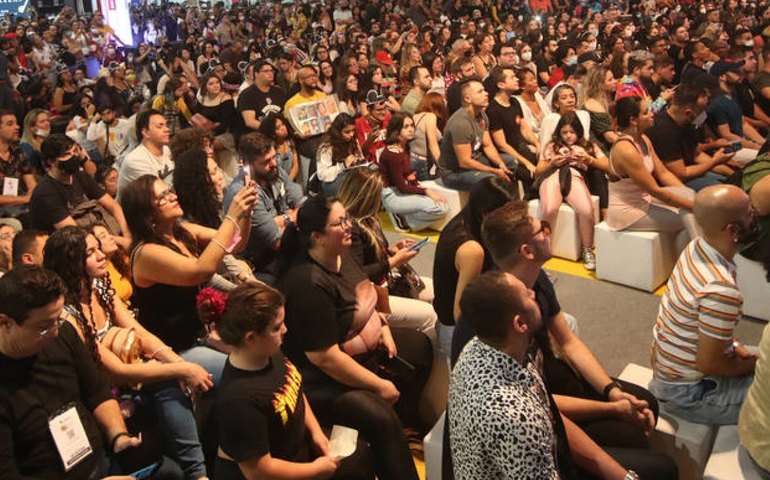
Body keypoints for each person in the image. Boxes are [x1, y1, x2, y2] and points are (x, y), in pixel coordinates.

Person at [450, 203, 678, 480]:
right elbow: (539, 417)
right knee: (655, 461)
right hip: (530, 430)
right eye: (543, 229)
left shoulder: (513, 344)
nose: (550, 231)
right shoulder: (513, 407)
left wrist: (611, 392)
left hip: (542, 407)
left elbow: (565, 350)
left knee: (643, 412)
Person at [277, 195, 432, 480]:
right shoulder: (307, 284)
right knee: (380, 417)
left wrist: (383, 328)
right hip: (322, 379)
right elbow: (324, 357)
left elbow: (367, 288)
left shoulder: (342, 253)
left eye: (346, 219)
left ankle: (406, 428)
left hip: (360, 350)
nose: (349, 226)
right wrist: (379, 385)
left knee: (419, 347)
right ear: (317, 237)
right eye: (339, 223)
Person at [43, 226, 212, 480]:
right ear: (71, 263)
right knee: (170, 380)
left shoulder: (99, 285)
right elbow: (115, 371)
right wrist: (182, 368)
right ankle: (197, 473)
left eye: (99, 248)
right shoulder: (68, 314)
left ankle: (200, 471)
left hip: (134, 374)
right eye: (91, 252)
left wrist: (177, 361)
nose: (102, 255)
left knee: (181, 379)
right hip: (108, 391)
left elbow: (139, 332)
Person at [214, 283, 374, 479]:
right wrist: (316, 470)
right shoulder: (239, 400)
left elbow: (295, 391)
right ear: (251, 338)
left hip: (296, 451)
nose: (285, 329)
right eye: (277, 327)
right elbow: (258, 471)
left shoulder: (269, 352)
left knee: (362, 454)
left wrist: (316, 433)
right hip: (277, 473)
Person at [0, 266, 144, 479]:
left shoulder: (63, 334)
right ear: (6, 323)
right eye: (44, 326)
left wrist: (118, 436)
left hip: (101, 462)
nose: (55, 331)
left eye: (57, 319)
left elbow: (97, 391)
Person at [122, 174, 257, 385]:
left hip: (201, 335)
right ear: (147, 214)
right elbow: (200, 271)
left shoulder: (183, 232)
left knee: (262, 350)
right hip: (173, 350)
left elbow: (235, 244)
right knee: (245, 372)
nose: (173, 196)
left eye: (169, 191)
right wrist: (231, 216)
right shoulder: (146, 253)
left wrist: (246, 213)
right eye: (163, 197)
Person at [651, 185, 759, 425]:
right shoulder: (720, 288)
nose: (755, 215)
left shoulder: (696, 247)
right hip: (690, 395)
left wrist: (734, 345)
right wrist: (755, 364)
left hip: (669, 376)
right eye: (750, 213)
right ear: (733, 230)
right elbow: (710, 363)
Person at [449, 271, 566, 479]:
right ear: (520, 324)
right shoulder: (513, 416)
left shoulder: (477, 346)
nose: (532, 293)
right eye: (526, 294)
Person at [337, 168, 437, 332]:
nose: (381, 199)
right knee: (429, 315)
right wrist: (394, 261)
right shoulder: (350, 229)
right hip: (368, 293)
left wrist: (391, 250)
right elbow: (357, 273)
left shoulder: (370, 220)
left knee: (435, 289)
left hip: (384, 281)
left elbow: (370, 256)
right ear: (366, 198)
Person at [432, 177, 519, 356]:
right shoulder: (472, 250)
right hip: (457, 334)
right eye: (507, 213)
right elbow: (461, 315)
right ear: (486, 213)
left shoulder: (465, 221)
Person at [607, 96, 700, 240]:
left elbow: (663, 173)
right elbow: (656, 191)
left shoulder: (644, 139)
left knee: (689, 195)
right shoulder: (626, 150)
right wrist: (694, 206)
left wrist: (687, 195)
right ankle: (700, 259)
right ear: (633, 120)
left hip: (645, 200)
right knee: (689, 216)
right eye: (646, 112)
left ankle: (691, 257)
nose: (652, 114)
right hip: (628, 213)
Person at [224, 132, 303, 278]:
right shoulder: (245, 192)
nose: (273, 164)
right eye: (266, 161)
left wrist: (281, 219)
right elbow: (276, 240)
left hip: (283, 249)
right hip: (260, 262)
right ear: (249, 165)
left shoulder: (274, 171)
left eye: (274, 157)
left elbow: (301, 202)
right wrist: (290, 216)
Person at [536, 112, 608, 270]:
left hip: (575, 177)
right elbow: (538, 170)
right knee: (549, 208)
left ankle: (587, 249)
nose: (568, 136)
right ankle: (540, 249)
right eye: (564, 132)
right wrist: (552, 163)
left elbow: (607, 164)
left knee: (586, 210)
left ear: (579, 131)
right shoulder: (551, 146)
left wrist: (589, 159)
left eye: (572, 132)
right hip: (553, 177)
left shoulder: (589, 145)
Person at [28, 134, 130, 243]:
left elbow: (113, 205)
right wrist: (119, 241)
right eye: (66, 154)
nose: (73, 157)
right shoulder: (45, 192)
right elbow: (75, 233)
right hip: (69, 243)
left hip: (98, 233)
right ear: (51, 161)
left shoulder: (80, 175)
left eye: (75, 151)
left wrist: (127, 234)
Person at [646, 84, 734, 191]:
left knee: (731, 181)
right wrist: (714, 162)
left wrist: (734, 174)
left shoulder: (688, 123)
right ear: (688, 113)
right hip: (674, 181)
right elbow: (682, 174)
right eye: (701, 110)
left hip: (691, 171)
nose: (703, 114)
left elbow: (697, 155)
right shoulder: (663, 130)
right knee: (723, 190)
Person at [439, 78, 518, 191]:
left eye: (484, 90)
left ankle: (508, 200)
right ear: (467, 98)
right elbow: (464, 162)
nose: (486, 93)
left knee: (510, 162)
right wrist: (494, 171)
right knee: (490, 179)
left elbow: (488, 146)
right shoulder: (461, 123)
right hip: (454, 171)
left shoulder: (482, 115)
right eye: (480, 92)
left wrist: (500, 164)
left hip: (475, 159)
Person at [377, 112, 448, 231]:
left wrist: (418, 186)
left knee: (442, 204)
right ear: (396, 131)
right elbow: (401, 187)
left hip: (403, 190)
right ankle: (405, 220)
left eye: (412, 126)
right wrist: (426, 191)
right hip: (392, 194)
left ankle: (407, 217)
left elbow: (408, 174)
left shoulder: (405, 147)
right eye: (406, 127)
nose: (411, 130)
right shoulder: (392, 154)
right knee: (440, 209)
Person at [487, 67, 539, 192]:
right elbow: (502, 145)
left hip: (521, 147)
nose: (516, 79)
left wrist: (537, 144)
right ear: (501, 84)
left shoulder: (515, 102)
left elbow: (524, 127)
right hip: (508, 155)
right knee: (532, 175)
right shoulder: (493, 110)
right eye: (512, 77)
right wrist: (526, 163)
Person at [707, 59, 764, 165]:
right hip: (731, 150)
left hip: (742, 144)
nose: (739, 73)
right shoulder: (717, 102)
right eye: (734, 72)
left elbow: (743, 123)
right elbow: (726, 134)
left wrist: (762, 142)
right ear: (722, 77)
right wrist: (755, 146)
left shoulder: (733, 95)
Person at [117, 109, 174, 200]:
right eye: (160, 126)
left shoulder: (167, 150)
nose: (167, 129)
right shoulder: (135, 160)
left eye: (166, 125)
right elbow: (158, 194)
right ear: (146, 132)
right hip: (139, 211)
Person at [315, 113, 364, 196]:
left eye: (353, 130)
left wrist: (358, 161)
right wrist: (343, 165)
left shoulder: (353, 140)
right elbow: (322, 174)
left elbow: (360, 157)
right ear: (337, 131)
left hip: (351, 174)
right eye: (347, 132)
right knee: (353, 183)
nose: (351, 134)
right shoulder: (326, 146)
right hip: (332, 181)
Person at [0, 109, 35, 222]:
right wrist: (25, 199)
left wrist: (32, 194)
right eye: (10, 124)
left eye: (16, 123)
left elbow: (31, 183)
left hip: (21, 204)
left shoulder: (18, 152)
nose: (17, 127)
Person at [238, 60, 286, 134]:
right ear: (256, 74)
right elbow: (250, 122)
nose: (270, 73)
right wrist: (272, 131)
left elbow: (285, 113)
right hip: (258, 134)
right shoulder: (247, 95)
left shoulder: (279, 91)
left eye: (271, 71)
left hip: (281, 131)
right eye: (266, 71)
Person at [410, 92, 447, 181]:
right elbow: (433, 145)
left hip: (413, 159)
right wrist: (443, 168)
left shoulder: (415, 115)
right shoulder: (430, 116)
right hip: (423, 163)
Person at [259, 112, 300, 181]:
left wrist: (288, 181)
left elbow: (295, 164)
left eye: (283, 124)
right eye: (278, 128)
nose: (283, 128)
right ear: (272, 134)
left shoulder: (290, 142)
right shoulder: (270, 147)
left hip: (290, 180)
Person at [355, 90, 392, 164]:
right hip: (371, 165)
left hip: (388, 161)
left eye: (385, 108)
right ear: (369, 110)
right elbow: (361, 154)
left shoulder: (388, 117)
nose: (384, 112)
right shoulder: (359, 123)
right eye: (379, 110)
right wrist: (369, 140)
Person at [516, 67, 551, 137]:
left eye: (535, 78)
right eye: (531, 80)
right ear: (522, 86)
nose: (535, 81)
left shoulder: (538, 96)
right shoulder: (518, 102)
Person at [19, 108, 50, 175]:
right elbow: (32, 175)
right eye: (42, 121)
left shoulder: (49, 143)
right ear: (32, 127)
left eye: (48, 120)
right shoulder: (27, 147)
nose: (47, 124)